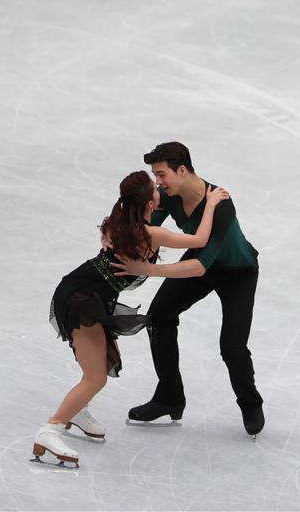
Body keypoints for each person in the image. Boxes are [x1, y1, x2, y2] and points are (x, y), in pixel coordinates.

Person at [32, 170, 230, 467]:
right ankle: (51, 429)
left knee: (104, 362)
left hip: (81, 288)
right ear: (150, 204)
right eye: (154, 188)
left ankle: (78, 410)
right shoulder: (152, 234)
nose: (159, 188)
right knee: (96, 377)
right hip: (82, 300)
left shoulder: (119, 219)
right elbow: (200, 239)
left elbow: (109, 231)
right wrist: (211, 203)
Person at [110, 142, 265, 438]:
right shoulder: (169, 196)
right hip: (201, 260)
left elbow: (200, 267)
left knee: (232, 347)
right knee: (159, 316)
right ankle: (169, 397)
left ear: (182, 170)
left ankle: (250, 403)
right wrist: (119, 239)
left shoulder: (221, 204)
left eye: (161, 174)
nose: (158, 182)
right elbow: (146, 230)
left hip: (237, 272)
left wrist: (147, 269)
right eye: (155, 175)